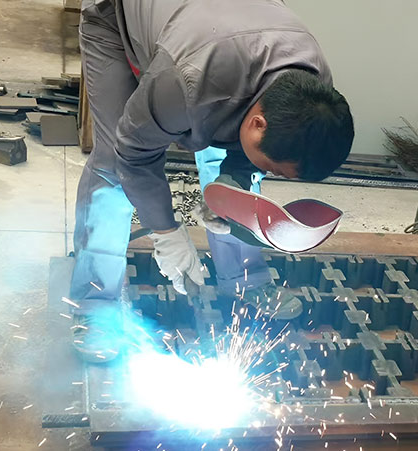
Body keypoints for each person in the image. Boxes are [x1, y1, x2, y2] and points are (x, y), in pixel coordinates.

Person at [71, 0, 354, 362]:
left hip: (210, 37)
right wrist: (165, 232)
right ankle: (96, 303)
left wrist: (232, 185)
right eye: (273, 168)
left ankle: (244, 279)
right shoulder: (186, 82)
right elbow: (135, 153)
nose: (270, 173)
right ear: (258, 123)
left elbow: (248, 143)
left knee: (223, 152)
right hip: (117, 16)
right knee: (114, 163)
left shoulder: (314, 91)